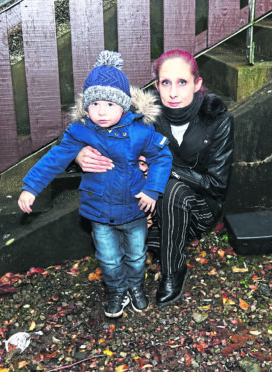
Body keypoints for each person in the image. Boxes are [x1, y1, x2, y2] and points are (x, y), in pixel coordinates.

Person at [18, 50, 172, 317]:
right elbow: (54, 159)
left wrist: (152, 189)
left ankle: (135, 287)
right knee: (109, 260)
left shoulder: (141, 131)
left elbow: (161, 157)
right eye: (95, 104)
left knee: (136, 257)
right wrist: (31, 187)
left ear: (123, 106)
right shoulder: (81, 132)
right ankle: (117, 290)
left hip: (134, 208)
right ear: (85, 107)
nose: (101, 111)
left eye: (110, 105)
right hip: (99, 211)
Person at [75, 49, 234, 306]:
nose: (173, 92)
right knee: (126, 233)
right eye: (166, 83)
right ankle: (157, 248)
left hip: (200, 208)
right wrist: (80, 153)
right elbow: (89, 129)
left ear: (197, 84)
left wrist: (168, 169)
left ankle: (174, 271)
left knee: (172, 189)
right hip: (151, 209)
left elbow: (216, 183)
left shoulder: (218, 120)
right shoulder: (144, 117)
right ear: (156, 85)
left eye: (182, 82)